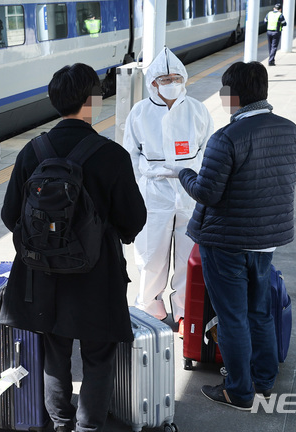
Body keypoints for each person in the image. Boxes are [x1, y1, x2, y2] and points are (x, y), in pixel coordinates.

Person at [0, 63, 146, 432]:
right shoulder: (112, 155)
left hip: (42, 276)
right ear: (93, 101)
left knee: (54, 352)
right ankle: (89, 426)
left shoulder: (32, 152)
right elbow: (134, 219)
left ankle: (61, 422)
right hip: (97, 275)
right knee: (98, 354)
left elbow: (8, 215)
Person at [174, 61, 296, 409]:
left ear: (233, 96)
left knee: (232, 317)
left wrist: (184, 172)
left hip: (227, 243)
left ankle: (239, 391)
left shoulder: (226, 137)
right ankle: (264, 382)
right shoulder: (291, 130)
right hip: (267, 239)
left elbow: (207, 193)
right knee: (259, 312)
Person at [122, 47, 213, 337]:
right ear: (153, 82)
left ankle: (186, 312)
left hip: (191, 193)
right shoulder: (139, 112)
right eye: (164, 78)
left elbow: (210, 150)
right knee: (151, 256)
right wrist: (140, 187)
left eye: (176, 77)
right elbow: (130, 156)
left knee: (188, 257)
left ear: (184, 78)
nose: (171, 82)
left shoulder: (198, 110)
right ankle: (149, 309)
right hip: (154, 194)